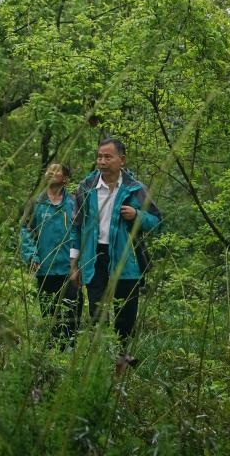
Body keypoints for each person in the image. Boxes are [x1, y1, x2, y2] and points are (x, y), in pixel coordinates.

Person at [69, 136, 161, 362]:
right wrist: (74, 263)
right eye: (99, 156)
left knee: (126, 313)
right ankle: (100, 359)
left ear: (121, 160)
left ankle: (121, 357)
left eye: (107, 157)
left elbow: (157, 222)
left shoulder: (136, 189)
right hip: (94, 257)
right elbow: (76, 227)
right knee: (97, 312)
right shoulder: (86, 187)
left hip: (126, 258)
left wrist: (137, 215)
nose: (101, 161)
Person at [20, 162, 81, 346]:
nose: (50, 172)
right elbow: (25, 230)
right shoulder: (36, 203)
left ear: (65, 178)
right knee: (49, 317)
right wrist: (31, 256)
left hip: (69, 269)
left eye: (56, 170)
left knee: (71, 317)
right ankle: (51, 357)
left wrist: (78, 264)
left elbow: (80, 232)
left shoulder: (73, 203)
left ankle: (69, 354)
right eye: (48, 170)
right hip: (44, 268)